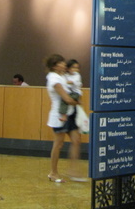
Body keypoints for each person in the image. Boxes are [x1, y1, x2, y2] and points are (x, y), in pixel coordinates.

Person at [44, 54, 85, 183]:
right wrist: (78, 102)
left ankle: (73, 170)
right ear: (54, 66)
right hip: (59, 115)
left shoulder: (62, 76)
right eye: (61, 63)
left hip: (70, 113)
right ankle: (53, 172)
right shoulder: (53, 79)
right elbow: (66, 98)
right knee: (59, 144)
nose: (64, 64)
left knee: (76, 140)